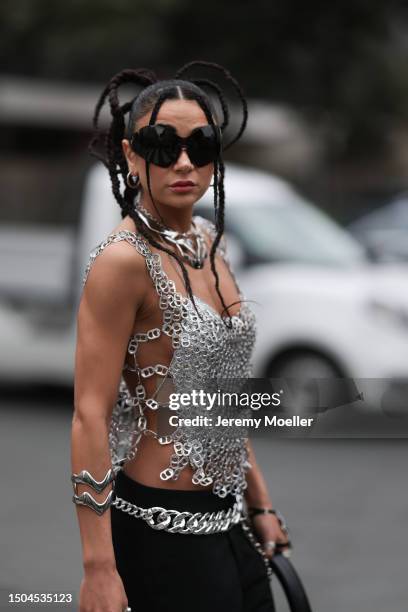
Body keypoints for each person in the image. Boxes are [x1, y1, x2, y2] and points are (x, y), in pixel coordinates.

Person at [70, 60, 291, 612]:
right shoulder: (122, 263)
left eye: (202, 145)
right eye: (162, 145)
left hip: (231, 520)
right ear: (130, 155)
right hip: (160, 531)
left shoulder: (210, 242)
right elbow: (89, 416)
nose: (185, 162)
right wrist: (98, 568)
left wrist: (260, 502)